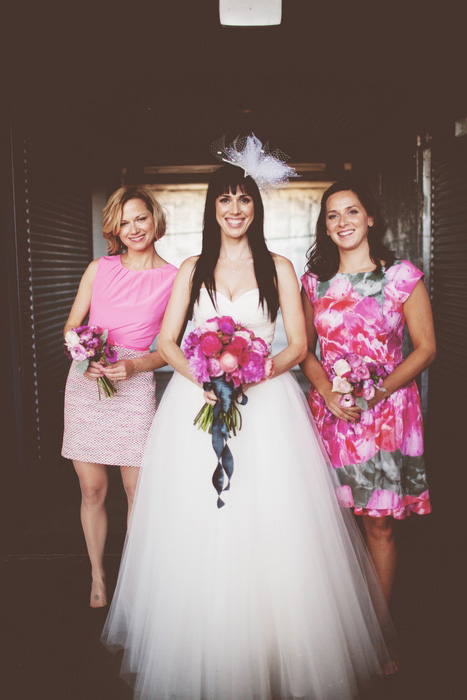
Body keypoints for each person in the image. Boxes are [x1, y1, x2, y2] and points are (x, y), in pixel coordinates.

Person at [103, 143, 397, 700]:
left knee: (274, 522)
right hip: (199, 399)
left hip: (267, 405)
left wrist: (251, 373)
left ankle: (272, 642)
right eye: (225, 199)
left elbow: (299, 344)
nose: (235, 208)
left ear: (254, 207)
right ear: (211, 208)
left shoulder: (279, 266)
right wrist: (209, 378)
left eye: (243, 199)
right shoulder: (192, 268)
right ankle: (204, 640)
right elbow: (167, 342)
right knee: (200, 524)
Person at [300, 178, 436, 604]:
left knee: (379, 523)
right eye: (333, 215)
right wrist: (328, 394)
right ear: (325, 227)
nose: (343, 222)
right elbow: (303, 349)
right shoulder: (313, 283)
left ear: (371, 217)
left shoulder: (401, 277)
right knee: (331, 523)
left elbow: (427, 348)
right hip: (332, 414)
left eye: (352, 211)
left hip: (386, 413)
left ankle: (379, 630)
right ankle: (337, 632)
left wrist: (376, 393)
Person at [62, 185, 177, 608]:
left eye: (140, 218)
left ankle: (134, 582)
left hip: (134, 383)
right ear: (114, 226)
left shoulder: (173, 277)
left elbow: (170, 347)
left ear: (154, 219)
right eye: (124, 221)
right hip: (88, 382)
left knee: (137, 490)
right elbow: (72, 327)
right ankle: (97, 577)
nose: (133, 228)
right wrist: (83, 352)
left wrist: (133, 366)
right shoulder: (99, 269)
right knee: (91, 489)